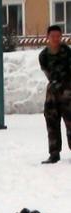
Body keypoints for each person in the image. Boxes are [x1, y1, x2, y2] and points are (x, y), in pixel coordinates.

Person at [40, 25, 71, 164]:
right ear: (48, 37)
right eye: (53, 36)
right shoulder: (43, 55)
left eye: (58, 36)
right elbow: (47, 72)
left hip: (68, 92)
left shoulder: (67, 52)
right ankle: (54, 153)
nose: (56, 39)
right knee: (51, 122)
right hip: (52, 93)